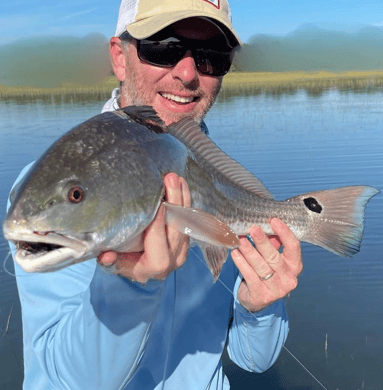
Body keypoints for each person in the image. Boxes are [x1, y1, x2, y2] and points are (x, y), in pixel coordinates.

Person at [8, 0, 303, 389]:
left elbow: (252, 358)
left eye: (213, 56)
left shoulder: (217, 183)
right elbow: (69, 381)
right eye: (162, 47)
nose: (187, 74)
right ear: (119, 56)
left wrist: (258, 307)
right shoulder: (56, 192)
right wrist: (128, 285)